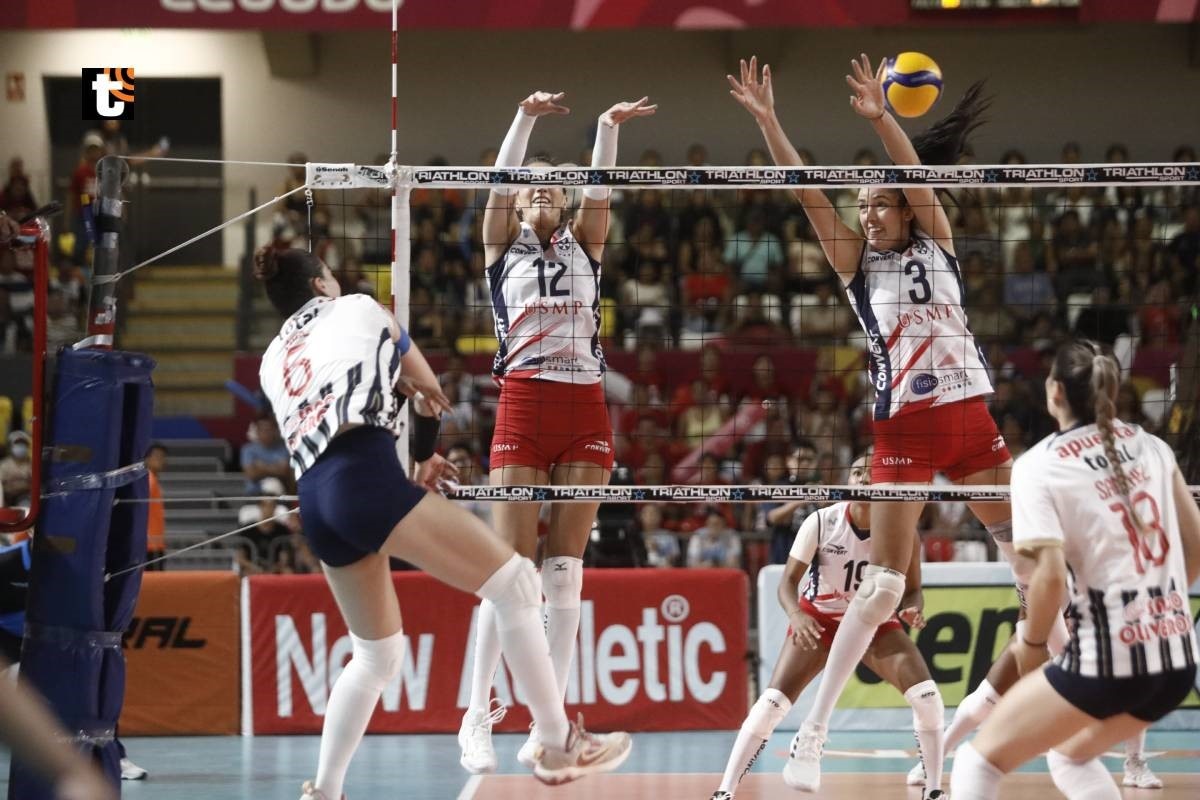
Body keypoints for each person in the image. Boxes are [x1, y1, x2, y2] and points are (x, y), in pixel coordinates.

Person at [728, 55, 1016, 798]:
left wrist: (882, 119)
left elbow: (916, 175)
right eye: (863, 203)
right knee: (885, 584)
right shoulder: (858, 267)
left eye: (880, 202)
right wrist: (769, 122)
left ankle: (988, 734)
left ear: (906, 208)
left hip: (970, 419)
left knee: (1034, 571)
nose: (868, 210)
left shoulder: (939, 240)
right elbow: (805, 195)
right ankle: (813, 738)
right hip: (905, 433)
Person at [253, 246, 631, 800]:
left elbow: (346, 396)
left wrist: (391, 400)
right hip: (366, 478)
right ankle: (556, 742)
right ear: (319, 284)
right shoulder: (359, 307)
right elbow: (430, 395)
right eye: (330, 276)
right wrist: (425, 454)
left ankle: (325, 790)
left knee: (376, 655)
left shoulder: (271, 359)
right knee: (516, 582)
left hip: (315, 502)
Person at [459, 89, 655, 774]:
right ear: (518, 204)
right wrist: (524, 118)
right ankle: (476, 712)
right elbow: (499, 181)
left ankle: (552, 726)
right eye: (532, 188)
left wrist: (605, 129)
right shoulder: (499, 248)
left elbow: (602, 187)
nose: (543, 192)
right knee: (509, 571)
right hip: (523, 404)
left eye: (554, 187)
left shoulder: (587, 245)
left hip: (585, 408)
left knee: (565, 572)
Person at [950, 341, 1200, 800]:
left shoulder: (1038, 465)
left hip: (1110, 658)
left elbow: (1046, 578)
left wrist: (1029, 645)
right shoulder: (1154, 448)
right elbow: (1196, 545)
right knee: (1069, 756)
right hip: (1179, 659)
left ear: (1055, 391)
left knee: (976, 761)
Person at [711, 454, 943, 800]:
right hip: (820, 619)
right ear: (847, 480)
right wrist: (796, 616)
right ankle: (724, 792)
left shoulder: (901, 530)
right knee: (769, 706)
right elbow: (787, 583)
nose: (864, 479)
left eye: (872, 473)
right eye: (857, 473)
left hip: (876, 623)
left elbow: (913, 590)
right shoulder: (821, 521)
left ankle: (935, 789)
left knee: (928, 700)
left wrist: (912, 608)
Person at [144, 442, 167, 570]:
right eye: (158, 456)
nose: (162, 460)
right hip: (150, 544)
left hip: (155, 542)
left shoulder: (152, 479)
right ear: (147, 458)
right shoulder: (149, 480)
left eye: (163, 457)